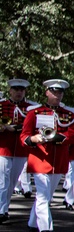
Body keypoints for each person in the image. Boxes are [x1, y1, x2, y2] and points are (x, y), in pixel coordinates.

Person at [19, 79, 74, 232]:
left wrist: (59, 138)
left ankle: (32, 223)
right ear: (46, 92)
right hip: (39, 159)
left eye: (60, 92)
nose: (57, 95)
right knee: (43, 197)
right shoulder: (35, 112)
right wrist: (34, 138)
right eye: (54, 92)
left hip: (58, 161)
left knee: (45, 196)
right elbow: (24, 137)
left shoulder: (69, 114)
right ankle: (46, 230)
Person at [0, 78, 37, 223]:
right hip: (3, 147)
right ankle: (1, 210)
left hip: (21, 149)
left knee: (12, 181)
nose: (19, 93)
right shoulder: (2, 105)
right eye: (16, 90)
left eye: (21, 90)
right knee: (3, 180)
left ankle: (5, 207)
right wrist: (6, 128)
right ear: (10, 90)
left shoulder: (30, 108)